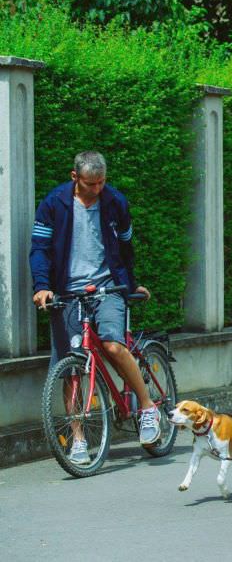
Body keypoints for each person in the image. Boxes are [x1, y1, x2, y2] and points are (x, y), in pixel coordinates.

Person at [30, 151, 158, 463]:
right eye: (90, 184)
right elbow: (39, 249)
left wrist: (130, 283)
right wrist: (42, 286)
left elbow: (126, 247)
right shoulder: (53, 203)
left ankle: (147, 408)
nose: (97, 189)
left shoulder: (115, 201)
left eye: (101, 182)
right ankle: (77, 440)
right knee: (72, 368)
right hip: (67, 293)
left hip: (108, 288)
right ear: (75, 178)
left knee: (113, 346)